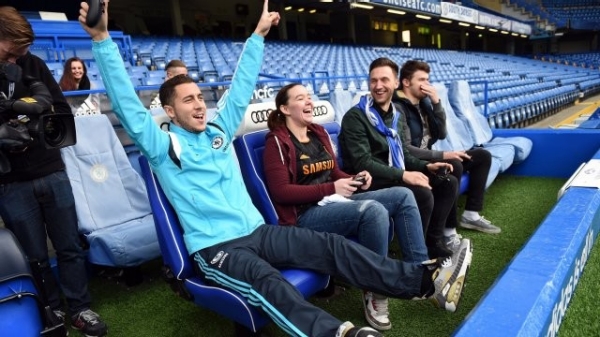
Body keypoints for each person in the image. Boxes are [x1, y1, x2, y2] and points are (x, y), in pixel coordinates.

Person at [79, 1, 471, 336]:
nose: (199, 105)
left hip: (258, 231)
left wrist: (258, 35)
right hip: (217, 249)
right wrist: (101, 40)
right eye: (187, 101)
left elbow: (241, 85)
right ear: (169, 111)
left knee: (331, 245)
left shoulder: (217, 131)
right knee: (268, 283)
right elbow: (128, 107)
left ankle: (426, 281)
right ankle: (335, 332)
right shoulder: (163, 146)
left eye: (200, 97)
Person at [263, 83, 438, 331]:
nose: (309, 102)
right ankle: (375, 289)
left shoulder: (318, 133)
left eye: (309, 97)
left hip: (333, 203)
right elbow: (281, 192)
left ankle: (417, 270)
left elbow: (333, 172)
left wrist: (355, 177)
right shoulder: (276, 142)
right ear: (285, 108)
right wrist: (331, 189)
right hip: (304, 215)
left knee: (402, 195)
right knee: (373, 211)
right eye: (301, 98)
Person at [0, 6, 107, 337]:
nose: (19, 58)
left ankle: (79, 308)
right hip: (10, 182)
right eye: (12, 51)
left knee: (70, 247)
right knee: (35, 257)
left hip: (51, 170)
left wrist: (32, 123)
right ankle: (50, 310)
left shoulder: (34, 64)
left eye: (23, 51)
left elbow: (62, 111)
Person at [339, 57, 468, 259]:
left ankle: (432, 241)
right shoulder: (355, 117)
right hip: (367, 181)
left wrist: (427, 167)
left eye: (384, 80)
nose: (378, 86)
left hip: (392, 173)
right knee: (422, 192)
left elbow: (404, 154)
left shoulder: (395, 115)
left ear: (396, 83)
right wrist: (405, 175)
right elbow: (362, 162)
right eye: (373, 81)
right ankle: (414, 256)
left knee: (447, 181)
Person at [393, 60, 500, 237]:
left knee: (482, 156)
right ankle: (448, 229)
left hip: (431, 157)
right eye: (421, 80)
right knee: (454, 165)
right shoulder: (398, 108)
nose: (426, 85)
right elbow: (405, 150)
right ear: (406, 82)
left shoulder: (425, 103)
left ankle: (471, 214)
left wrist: (436, 103)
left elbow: (441, 134)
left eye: (427, 80)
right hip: (415, 163)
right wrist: (444, 154)